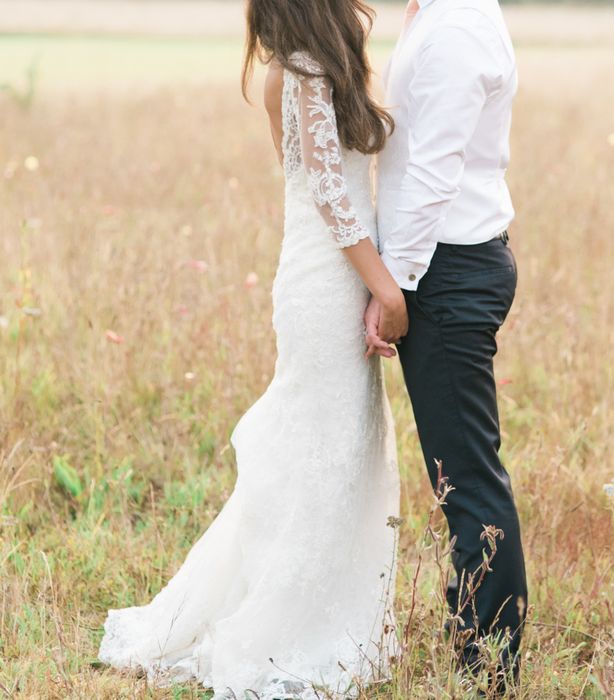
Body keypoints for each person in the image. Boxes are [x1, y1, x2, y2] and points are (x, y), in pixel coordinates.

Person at [97, 2, 404, 698]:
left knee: (342, 449)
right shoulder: (294, 74)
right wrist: (385, 290)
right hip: (324, 283)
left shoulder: (328, 64)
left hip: (343, 270)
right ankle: (282, 626)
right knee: (319, 450)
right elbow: (328, 195)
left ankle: (326, 612)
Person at [367, 0, 528, 687]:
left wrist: (392, 285)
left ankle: (488, 672)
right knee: (458, 475)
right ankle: (480, 652)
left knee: (467, 483)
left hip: (448, 271)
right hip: (446, 265)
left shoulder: (457, 24)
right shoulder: (437, 13)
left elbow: (435, 170)